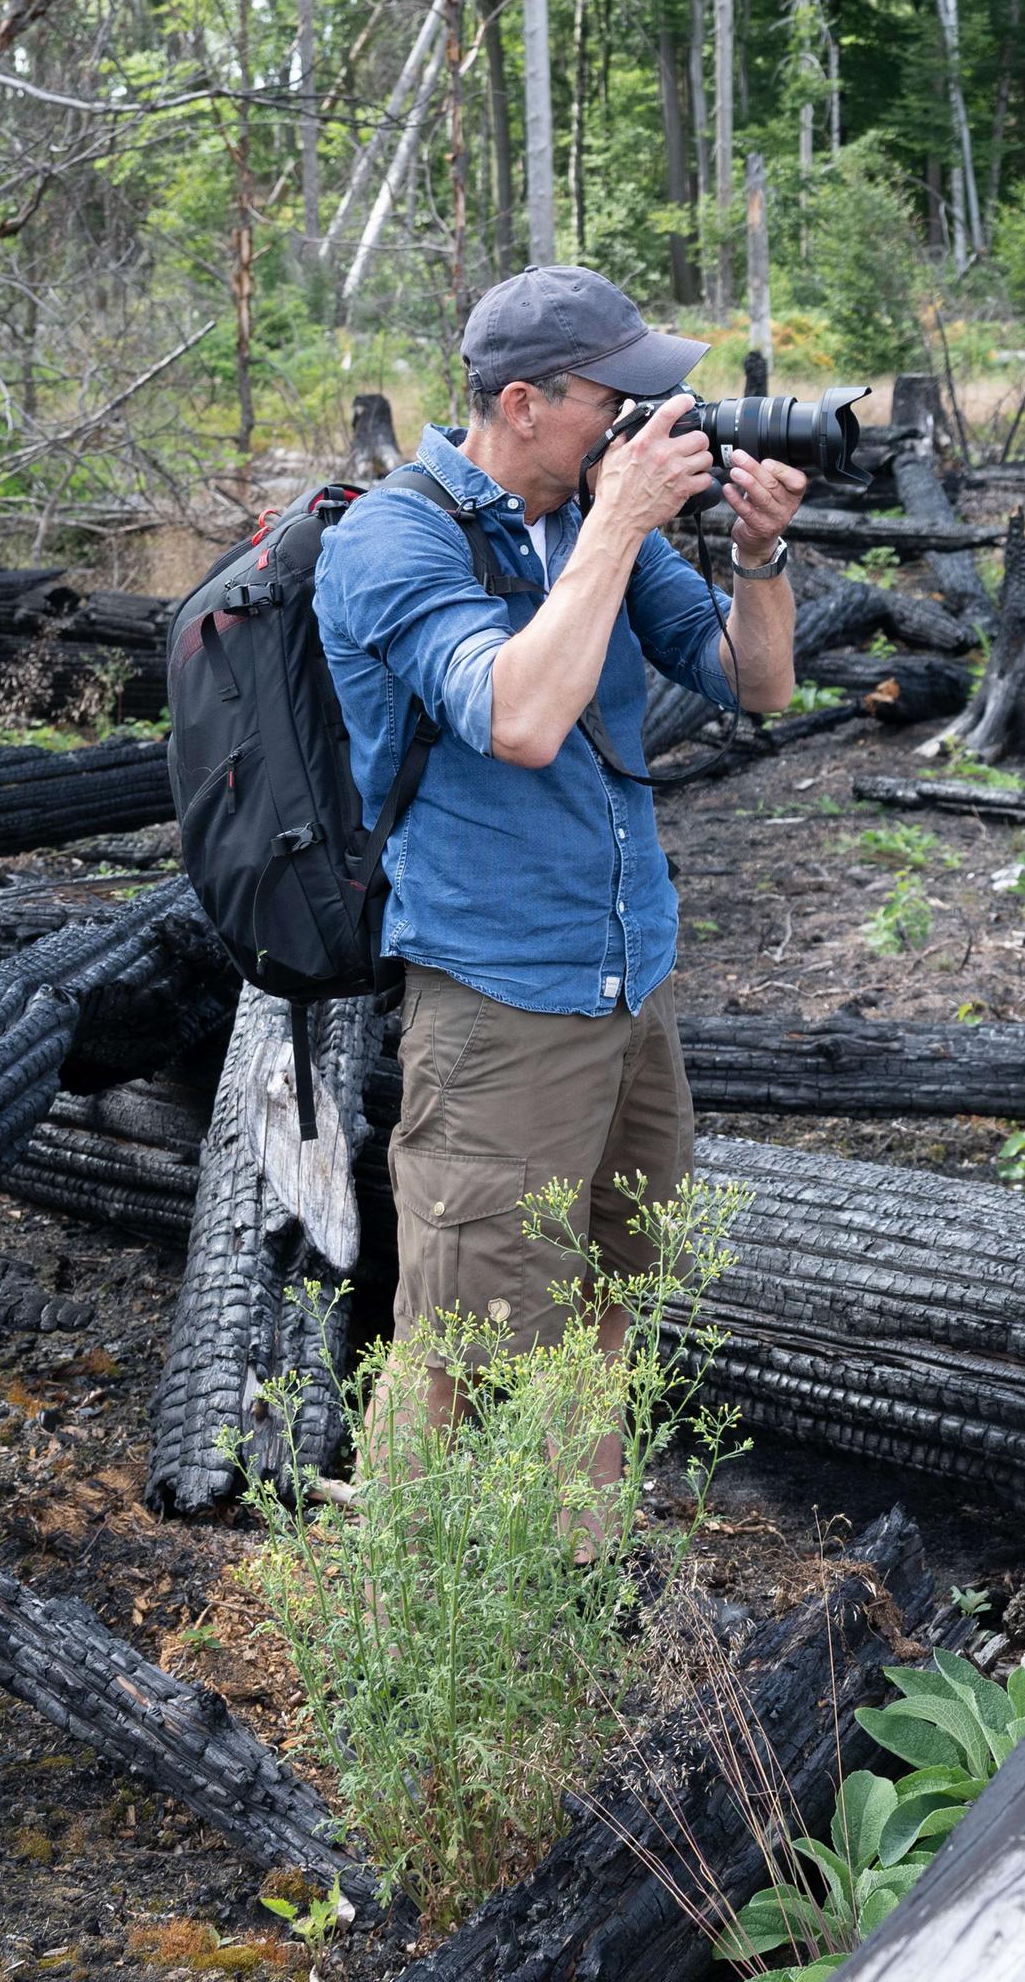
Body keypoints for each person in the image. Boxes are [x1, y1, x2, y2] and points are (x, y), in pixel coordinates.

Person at [312, 265, 807, 1544]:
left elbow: (756, 687)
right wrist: (615, 529)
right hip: (496, 994)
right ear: (523, 403)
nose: (652, 420)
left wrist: (760, 554)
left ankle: (572, 1569)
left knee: (611, 1295)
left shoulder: (599, 522)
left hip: (627, 978)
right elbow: (519, 716)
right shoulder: (396, 535)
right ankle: (413, 1599)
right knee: (463, 1339)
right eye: (620, 398)